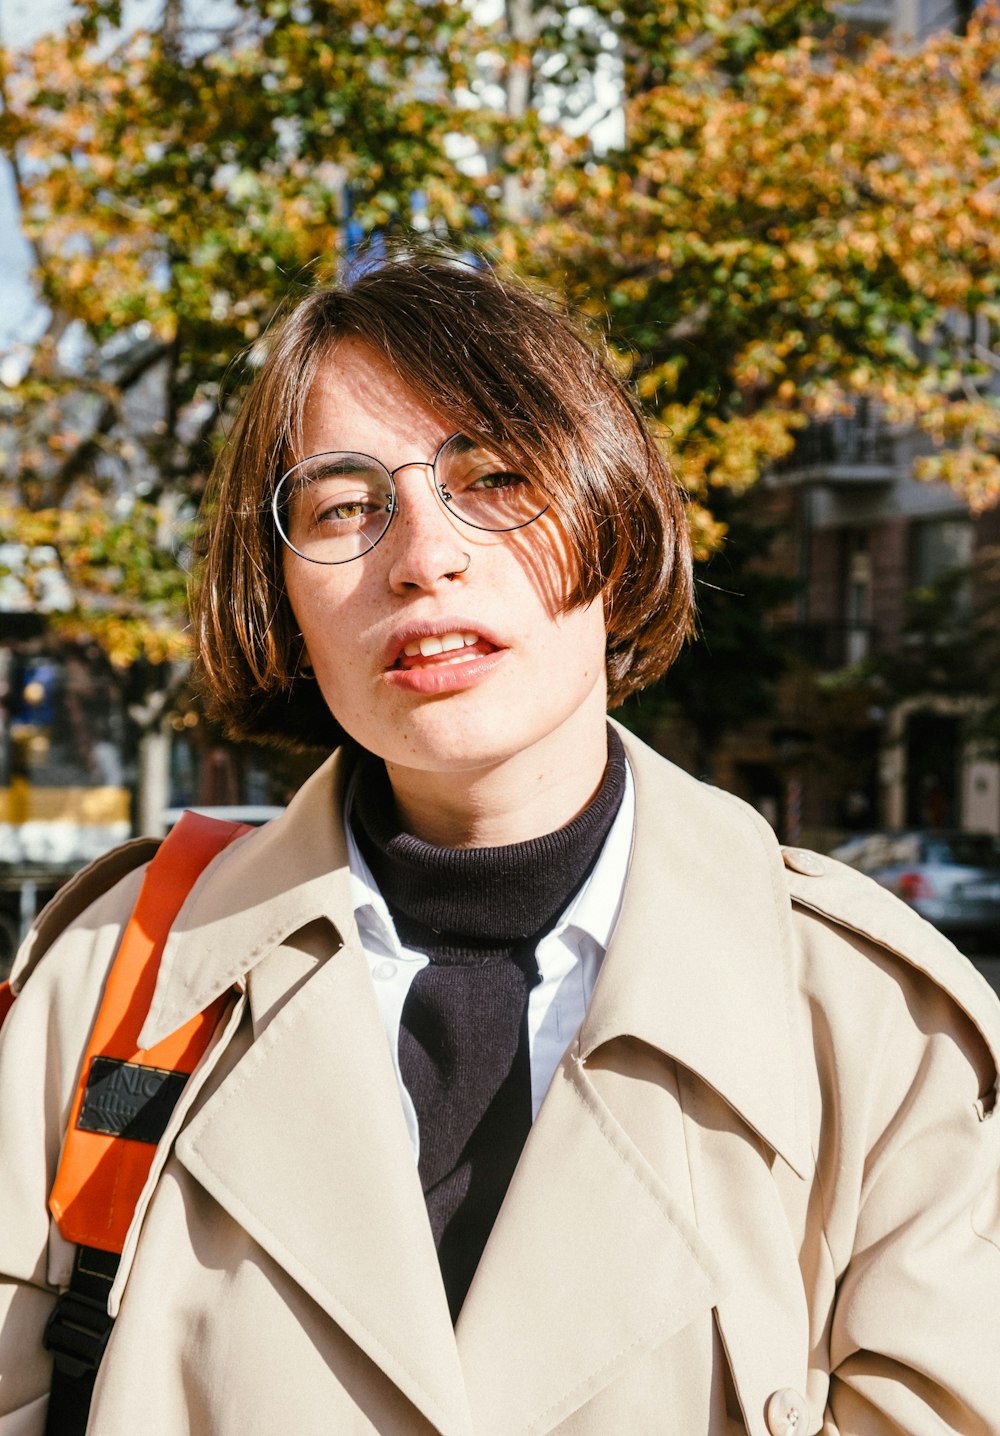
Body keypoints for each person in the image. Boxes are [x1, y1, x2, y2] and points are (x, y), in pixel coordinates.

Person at [1, 249, 999, 1436]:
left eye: (495, 479)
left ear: (612, 519)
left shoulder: (870, 1020)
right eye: (342, 505)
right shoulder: (111, 987)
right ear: (277, 592)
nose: (422, 556)